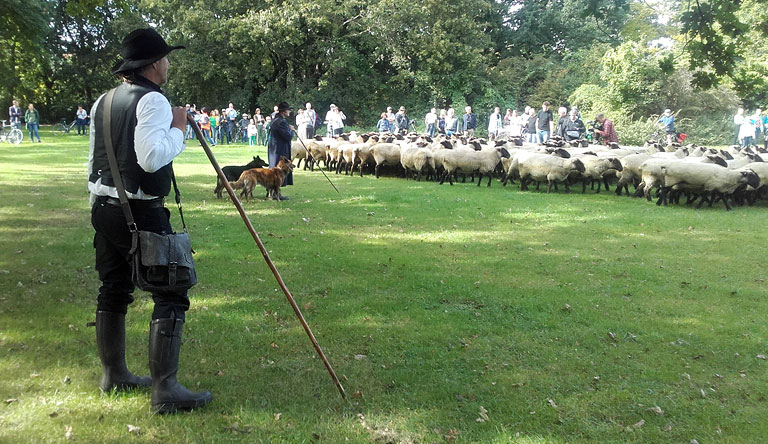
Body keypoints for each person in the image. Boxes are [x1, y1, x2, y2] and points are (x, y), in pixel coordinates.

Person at [87, 28, 212, 414]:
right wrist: (178, 126)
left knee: (114, 286)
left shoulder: (103, 101)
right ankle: (165, 389)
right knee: (172, 290)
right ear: (155, 64)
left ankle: (116, 375)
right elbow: (152, 158)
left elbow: (94, 161)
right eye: (167, 58)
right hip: (139, 211)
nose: (169, 64)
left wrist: (100, 202)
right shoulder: (154, 102)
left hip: (104, 207)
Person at [268, 102, 294, 199]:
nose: (289, 112)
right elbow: (287, 136)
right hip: (279, 149)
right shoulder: (281, 122)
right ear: (284, 112)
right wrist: (291, 130)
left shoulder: (276, 120)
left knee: (273, 169)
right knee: (278, 171)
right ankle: (276, 194)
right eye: (288, 110)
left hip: (274, 148)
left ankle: (272, 192)